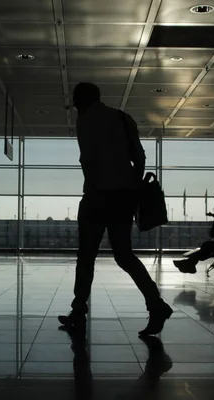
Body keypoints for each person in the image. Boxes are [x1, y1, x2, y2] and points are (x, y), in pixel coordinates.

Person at [58, 82, 173, 336]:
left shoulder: (86, 120)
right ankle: (156, 304)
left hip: (98, 196)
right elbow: (140, 157)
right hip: (123, 197)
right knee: (124, 255)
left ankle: (78, 311)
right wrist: (132, 189)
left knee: (86, 256)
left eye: (75, 101)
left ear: (81, 101)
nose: (74, 106)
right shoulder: (123, 118)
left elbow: (88, 160)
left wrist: (94, 190)